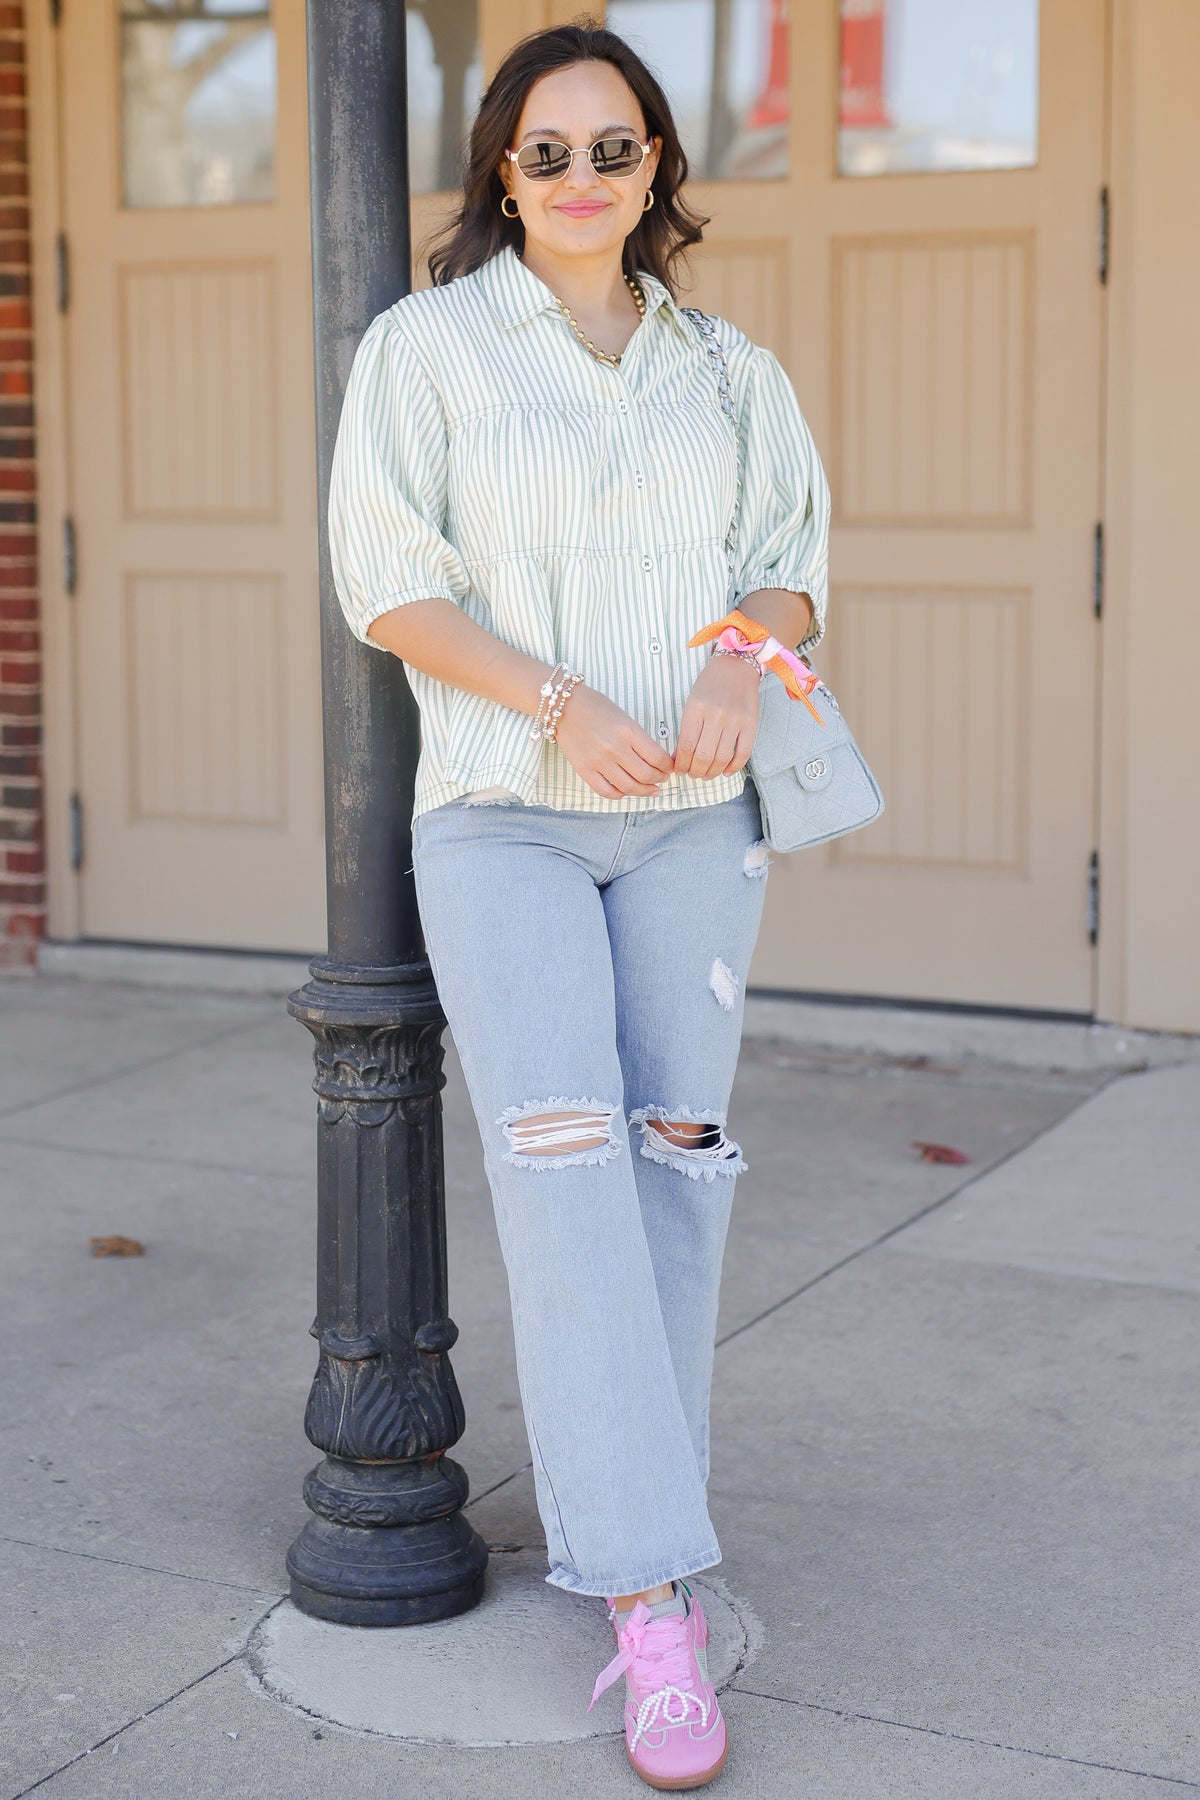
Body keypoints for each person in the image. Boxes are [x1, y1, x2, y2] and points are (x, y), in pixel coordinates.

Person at [328, 20, 830, 1791]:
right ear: (501, 172)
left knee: (673, 1166)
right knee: (563, 1174)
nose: (583, 180)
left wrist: (745, 657)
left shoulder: (725, 365)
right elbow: (389, 586)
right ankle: (649, 1601)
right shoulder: (430, 351)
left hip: (695, 830)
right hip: (509, 825)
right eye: (548, 154)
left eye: (615, 150)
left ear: (657, 169)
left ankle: (647, 1537)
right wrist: (565, 702)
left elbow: (788, 552)